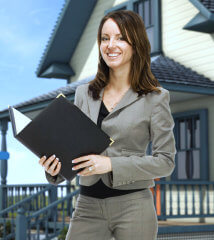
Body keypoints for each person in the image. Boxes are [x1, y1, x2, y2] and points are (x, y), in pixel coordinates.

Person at [39, 10, 176, 240]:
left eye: (120, 37)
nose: (110, 45)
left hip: (134, 206)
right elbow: (74, 147)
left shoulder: (156, 98)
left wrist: (110, 164)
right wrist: (55, 169)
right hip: (87, 205)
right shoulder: (84, 93)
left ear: (136, 43)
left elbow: (166, 162)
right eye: (105, 38)